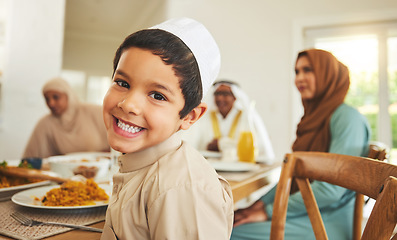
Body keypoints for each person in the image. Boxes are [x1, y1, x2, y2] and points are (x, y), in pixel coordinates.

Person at [100, 18, 234, 240]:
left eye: (157, 96)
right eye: (123, 83)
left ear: (190, 116)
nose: (128, 105)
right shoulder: (138, 165)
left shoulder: (181, 191)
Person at [230, 49, 371, 240]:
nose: (299, 78)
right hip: (309, 213)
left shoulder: (347, 118)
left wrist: (269, 211)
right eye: (297, 72)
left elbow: (331, 190)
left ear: (326, 74)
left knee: (227, 232)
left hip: (328, 222)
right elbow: (294, 178)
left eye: (308, 70)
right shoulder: (314, 119)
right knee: (229, 222)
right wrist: (259, 205)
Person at [183, 80, 275, 163]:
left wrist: (220, 144)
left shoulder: (247, 118)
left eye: (225, 94)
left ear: (235, 97)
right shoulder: (204, 117)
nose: (220, 98)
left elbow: (255, 147)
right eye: (217, 94)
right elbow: (192, 145)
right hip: (210, 167)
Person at [22, 77, 110, 158]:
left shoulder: (95, 112)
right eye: (47, 99)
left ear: (68, 95)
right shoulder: (46, 123)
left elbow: (118, 145)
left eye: (56, 97)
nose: (51, 103)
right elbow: (29, 159)